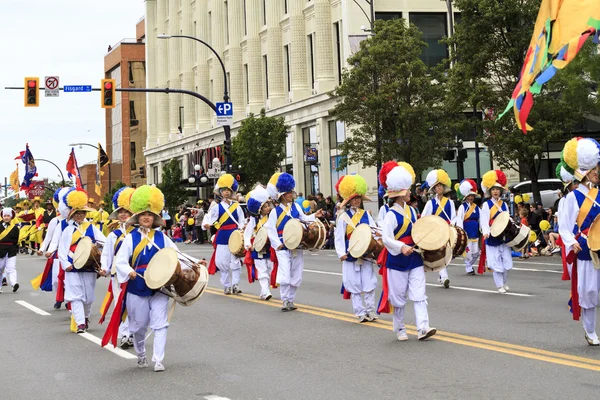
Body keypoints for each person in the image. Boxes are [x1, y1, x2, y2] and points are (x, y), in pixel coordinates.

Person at [108, 185, 181, 371]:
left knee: (160, 324)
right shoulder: (130, 238)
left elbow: (177, 255)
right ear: (138, 218)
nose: (146, 217)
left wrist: (196, 263)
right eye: (143, 214)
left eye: (150, 214)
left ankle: (158, 359)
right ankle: (141, 354)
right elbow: (121, 262)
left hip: (159, 286)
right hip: (137, 285)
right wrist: (129, 271)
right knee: (138, 327)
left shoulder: (163, 238)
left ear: (155, 218)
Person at [378, 161, 436, 341]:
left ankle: (423, 327)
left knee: (419, 293)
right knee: (398, 297)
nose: (410, 192)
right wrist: (401, 247)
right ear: (400, 194)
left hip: (415, 257)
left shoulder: (412, 211)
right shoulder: (389, 215)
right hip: (397, 259)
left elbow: (419, 230)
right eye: (408, 190)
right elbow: (386, 238)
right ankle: (400, 328)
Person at [558, 137, 600, 346]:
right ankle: (590, 330)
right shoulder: (572, 198)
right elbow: (564, 227)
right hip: (585, 249)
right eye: (594, 168)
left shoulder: (599, 194)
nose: (597, 171)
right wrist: (569, 241)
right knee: (590, 291)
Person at [266, 172, 323, 311]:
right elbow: (270, 229)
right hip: (283, 245)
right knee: (285, 274)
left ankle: (291, 300)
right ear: (283, 195)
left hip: (297, 244)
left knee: (296, 273)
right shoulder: (275, 212)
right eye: (289, 193)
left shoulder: (296, 207)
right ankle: (285, 300)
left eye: (292, 192)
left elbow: (304, 219)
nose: (292, 194)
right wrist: (277, 244)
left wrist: (315, 215)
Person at [58, 188, 106, 333]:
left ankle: (85, 317)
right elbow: (62, 249)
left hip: (89, 266)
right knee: (75, 295)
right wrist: (66, 264)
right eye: (77, 213)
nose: (79, 215)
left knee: (89, 297)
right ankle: (80, 323)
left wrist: (97, 247)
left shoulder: (92, 228)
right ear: (72, 215)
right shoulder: (67, 230)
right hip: (73, 266)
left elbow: (104, 242)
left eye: (82, 213)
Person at [334, 174, 378, 322]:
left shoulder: (366, 215)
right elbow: (339, 236)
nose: (357, 200)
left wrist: (376, 247)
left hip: (366, 252)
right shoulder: (343, 217)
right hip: (350, 252)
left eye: (358, 197)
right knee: (353, 283)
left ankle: (370, 310)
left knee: (369, 282)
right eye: (354, 198)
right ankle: (359, 312)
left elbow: (373, 231)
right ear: (349, 200)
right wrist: (341, 253)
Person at [99, 187, 136, 349]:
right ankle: (125, 335)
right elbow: (107, 255)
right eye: (120, 212)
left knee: (135, 305)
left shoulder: (138, 233)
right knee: (121, 304)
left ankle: (134, 332)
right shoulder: (113, 235)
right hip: (118, 275)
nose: (122, 214)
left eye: (126, 211)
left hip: (136, 274)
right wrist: (104, 268)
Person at [206, 174, 246, 294]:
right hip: (223, 235)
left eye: (228, 190)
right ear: (221, 192)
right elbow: (211, 221)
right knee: (222, 262)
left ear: (231, 191)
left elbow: (241, 220)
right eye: (224, 191)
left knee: (235, 261)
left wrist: (241, 229)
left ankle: (235, 284)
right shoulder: (216, 207)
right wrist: (209, 225)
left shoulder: (237, 206)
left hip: (234, 235)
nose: (226, 193)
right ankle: (226, 285)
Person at [421, 169, 455, 288]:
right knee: (440, 252)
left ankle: (442, 276)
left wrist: (453, 226)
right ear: (434, 189)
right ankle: (444, 276)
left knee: (446, 252)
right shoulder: (430, 203)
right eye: (437, 186)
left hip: (446, 229)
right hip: (436, 230)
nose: (439, 188)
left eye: (441, 186)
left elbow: (454, 217)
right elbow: (425, 217)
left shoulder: (450, 202)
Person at [479, 169, 512, 293]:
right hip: (492, 236)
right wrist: (486, 232)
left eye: (497, 189)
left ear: (501, 191)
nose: (495, 191)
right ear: (490, 191)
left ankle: (505, 281)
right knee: (495, 261)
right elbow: (484, 220)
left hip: (503, 236)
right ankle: (499, 285)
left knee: (507, 261)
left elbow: (508, 219)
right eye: (493, 189)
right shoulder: (487, 205)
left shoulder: (504, 204)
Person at [244, 185, 276, 300]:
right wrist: (248, 244)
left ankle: (265, 291)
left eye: (268, 205)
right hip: (258, 247)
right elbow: (247, 233)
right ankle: (265, 291)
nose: (268, 208)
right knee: (261, 269)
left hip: (269, 246)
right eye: (265, 206)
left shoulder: (272, 216)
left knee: (271, 268)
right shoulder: (254, 220)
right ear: (260, 208)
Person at [455, 179, 481, 275]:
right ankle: (468, 266)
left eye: (472, 196)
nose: (470, 198)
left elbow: (481, 220)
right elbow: (460, 219)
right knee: (468, 252)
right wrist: (461, 232)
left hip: (475, 232)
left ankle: (469, 265)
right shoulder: (462, 207)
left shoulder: (477, 208)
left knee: (476, 252)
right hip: (467, 233)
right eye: (469, 196)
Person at [0, 208, 21, 293]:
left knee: (11, 268)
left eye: (8, 216)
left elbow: (16, 240)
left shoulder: (15, 228)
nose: (6, 217)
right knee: (0, 269)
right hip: (0, 250)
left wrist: (16, 248)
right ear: (2, 217)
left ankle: (14, 283)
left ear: (11, 217)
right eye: (5, 216)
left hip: (11, 250)